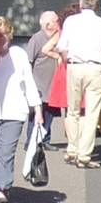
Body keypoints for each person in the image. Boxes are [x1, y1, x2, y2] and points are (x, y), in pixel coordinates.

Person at [0, 16, 48, 203]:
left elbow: (29, 82)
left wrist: (38, 109)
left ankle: (2, 189)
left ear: (10, 35)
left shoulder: (19, 54)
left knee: (6, 153)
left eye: (2, 35)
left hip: (14, 112)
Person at [59, 0, 101, 166]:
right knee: (92, 113)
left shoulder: (70, 22)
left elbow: (62, 48)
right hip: (96, 68)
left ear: (80, 3)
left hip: (75, 65)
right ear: (96, 5)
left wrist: (68, 63)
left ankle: (72, 148)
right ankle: (84, 154)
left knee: (73, 110)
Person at [29, 9, 67, 151]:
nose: (58, 23)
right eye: (56, 21)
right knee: (36, 113)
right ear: (47, 24)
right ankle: (31, 141)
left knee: (50, 113)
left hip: (54, 83)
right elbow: (29, 61)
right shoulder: (37, 38)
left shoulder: (59, 37)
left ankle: (45, 140)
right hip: (39, 83)